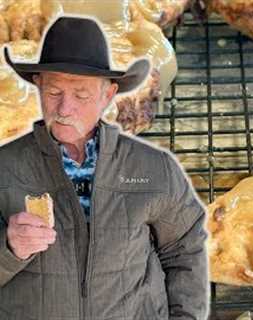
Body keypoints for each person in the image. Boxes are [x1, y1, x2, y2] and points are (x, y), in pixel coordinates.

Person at [0, 16, 209, 320]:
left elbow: (185, 250)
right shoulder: (5, 167)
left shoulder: (153, 167)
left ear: (108, 95)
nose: (64, 109)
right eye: (54, 92)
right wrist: (9, 247)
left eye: (81, 95)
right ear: (39, 87)